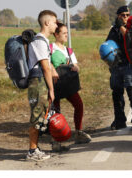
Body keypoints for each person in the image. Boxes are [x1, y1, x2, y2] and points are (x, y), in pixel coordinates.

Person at [50, 22, 92, 152]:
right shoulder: (50, 48)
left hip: (68, 84)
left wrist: (76, 68)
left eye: (67, 33)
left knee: (79, 105)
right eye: (64, 33)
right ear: (56, 34)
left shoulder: (69, 50)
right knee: (55, 113)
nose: (66, 35)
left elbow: (77, 65)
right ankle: (56, 141)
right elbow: (46, 64)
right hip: (55, 85)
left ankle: (78, 132)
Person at [26, 10, 57, 161]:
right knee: (36, 116)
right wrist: (51, 90)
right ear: (46, 23)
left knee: (40, 115)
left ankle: (35, 148)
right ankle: (32, 151)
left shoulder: (43, 41)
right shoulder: (39, 41)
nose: (56, 25)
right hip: (38, 83)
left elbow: (48, 66)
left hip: (41, 83)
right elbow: (45, 67)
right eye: (54, 22)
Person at [106, 5, 132, 131]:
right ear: (118, 16)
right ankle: (120, 120)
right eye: (123, 15)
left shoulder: (131, 27)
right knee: (116, 94)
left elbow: (131, 40)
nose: (126, 17)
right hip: (116, 66)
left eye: (127, 15)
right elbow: (107, 45)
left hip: (129, 65)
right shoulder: (114, 30)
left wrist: (122, 27)